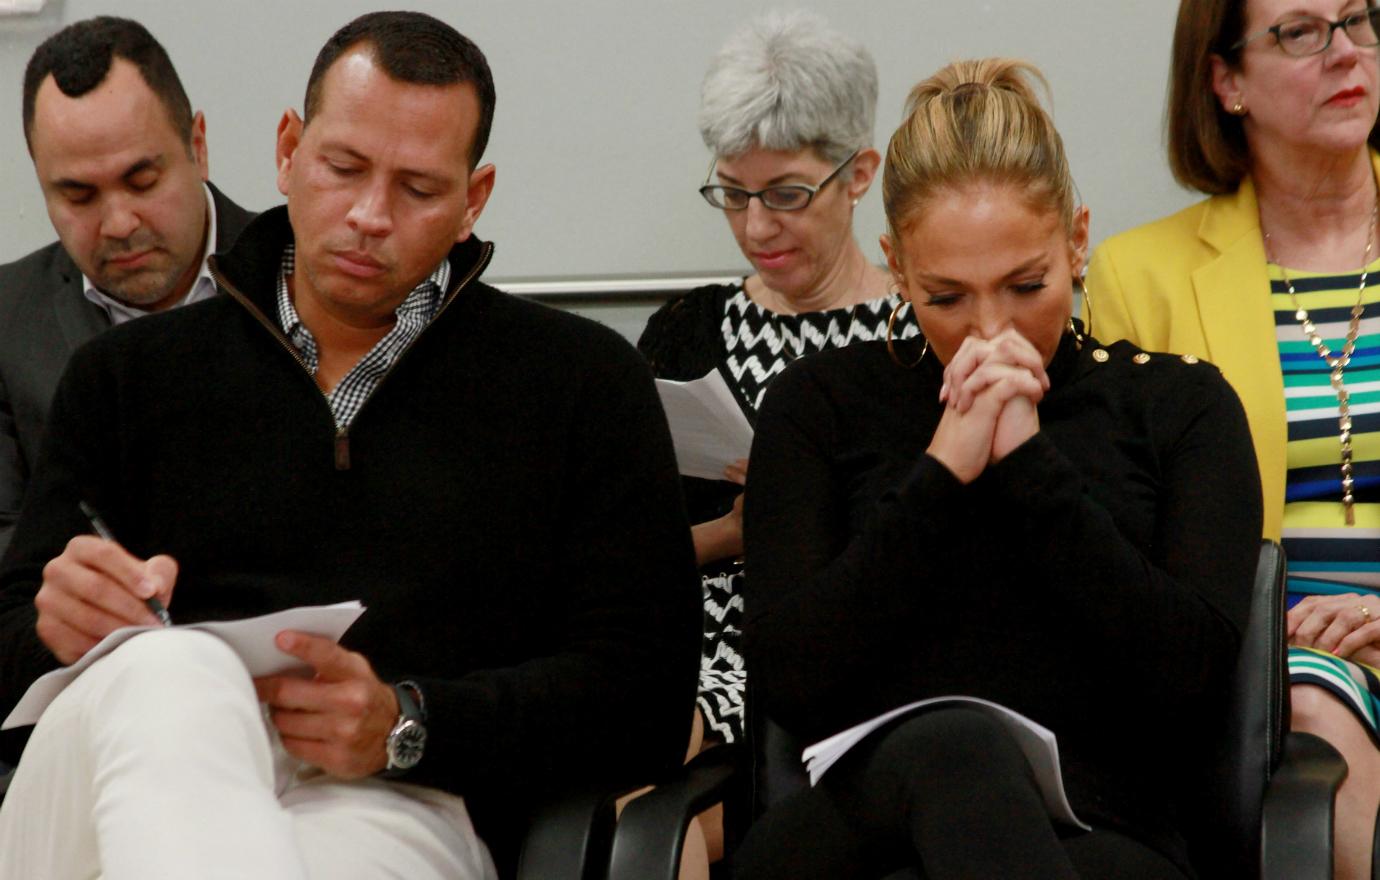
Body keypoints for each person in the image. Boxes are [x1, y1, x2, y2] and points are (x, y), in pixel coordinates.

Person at [0, 11, 701, 880]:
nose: (370, 215)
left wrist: (409, 724)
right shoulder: (125, 378)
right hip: (110, 761)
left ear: (473, 198)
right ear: (289, 150)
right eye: (343, 168)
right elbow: (6, 651)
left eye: (417, 189)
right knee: (176, 674)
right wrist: (55, 628)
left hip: (392, 793)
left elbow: (645, 698)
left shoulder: (580, 383)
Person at [733, 58, 1263, 879]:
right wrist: (943, 471)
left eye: (1025, 285)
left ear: (1078, 240)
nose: (991, 332)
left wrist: (1027, 466)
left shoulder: (1177, 407)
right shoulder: (820, 404)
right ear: (897, 268)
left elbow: (1191, 675)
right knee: (955, 744)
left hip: (1102, 826)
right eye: (946, 297)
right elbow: (790, 678)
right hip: (854, 826)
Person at [1086, 1, 1380, 875]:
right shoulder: (1142, 276)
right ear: (1225, 80)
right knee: (1316, 710)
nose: (1343, 52)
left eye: (1358, 19)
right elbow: (1141, 547)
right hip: (1280, 656)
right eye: (1299, 31)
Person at [636, 9, 908, 805]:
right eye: (732, 193)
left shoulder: (917, 331)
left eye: (787, 194)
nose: (757, 226)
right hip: (679, 643)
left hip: (834, 659)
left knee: (647, 789)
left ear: (859, 174)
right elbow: (619, 550)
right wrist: (731, 532)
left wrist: (800, 516)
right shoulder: (687, 331)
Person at [0, 16, 254, 560]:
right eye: (78, 195)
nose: (118, 223)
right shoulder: (6, 320)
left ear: (198, 146)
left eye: (142, 181)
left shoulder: (306, 275)